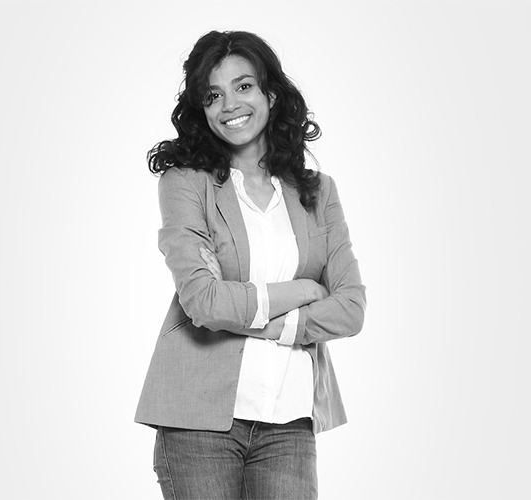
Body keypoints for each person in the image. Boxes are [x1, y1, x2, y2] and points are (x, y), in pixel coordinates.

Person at [135, 30, 366, 500]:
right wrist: (304, 290)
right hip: (197, 424)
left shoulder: (318, 192)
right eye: (212, 95)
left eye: (243, 86)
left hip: (290, 422)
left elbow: (351, 309)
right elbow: (204, 302)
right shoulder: (186, 184)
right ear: (202, 109)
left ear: (271, 95)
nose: (229, 105)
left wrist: (261, 320)